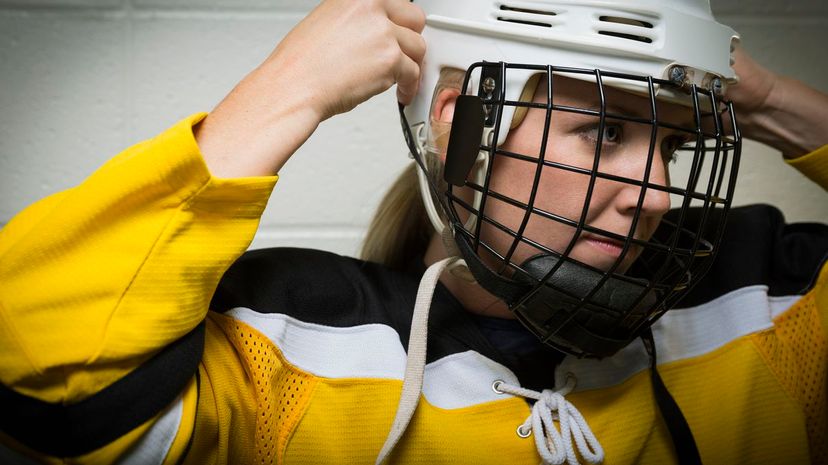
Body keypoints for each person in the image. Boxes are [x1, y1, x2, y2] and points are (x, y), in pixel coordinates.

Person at [0, 0, 826, 464]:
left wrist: (770, 105)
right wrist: (283, 93)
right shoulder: (283, 343)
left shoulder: (757, 295)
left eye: (674, 144)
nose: (650, 191)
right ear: (463, 126)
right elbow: (45, 372)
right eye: (605, 133)